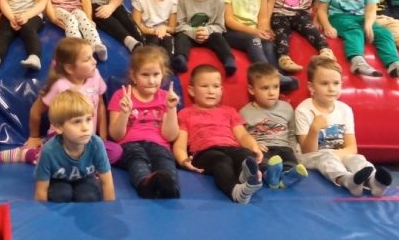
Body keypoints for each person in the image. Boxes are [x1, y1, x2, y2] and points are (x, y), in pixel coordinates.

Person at [6, 38, 120, 164]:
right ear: (69, 68)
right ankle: (29, 154)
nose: (94, 61)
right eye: (87, 59)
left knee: (115, 151)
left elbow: (101, 106)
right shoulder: (59, 86)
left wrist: (102, 137)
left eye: (92, 56)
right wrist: (34, 137)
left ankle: (78, 163)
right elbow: (36, 110)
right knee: (64, 154)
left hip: (86, 138)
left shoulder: (95, 76)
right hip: (62, 138)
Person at [295, 56, 393, 197]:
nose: (331, 88)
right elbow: (307, 152)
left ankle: (374, 182)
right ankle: (346, 180)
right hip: (312, 157)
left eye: (336, 83)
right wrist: (314, 129)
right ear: (311, 87)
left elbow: (352, 147)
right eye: (324, 83)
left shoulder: (345, 110)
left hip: (338, 154)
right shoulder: (303, 109)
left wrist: (339, 155)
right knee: (326, 157)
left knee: (356, 158)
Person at [173, 65, 263, 203]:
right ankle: (235, 191)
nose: (211, 91)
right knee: (221, 161)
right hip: (204, 152)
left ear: (221, 90)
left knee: (244, 155)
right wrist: (183, 160)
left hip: (231, 148)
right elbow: (180, 143)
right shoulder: (185, 114)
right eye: (204, 86)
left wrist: (254, 147)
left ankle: (247, 177)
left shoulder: (229, 111)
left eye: (215, 86)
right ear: (192, 90)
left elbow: (242, 135)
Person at [108, 46, 181, 199]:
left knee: (164, 157)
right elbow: (115, 135)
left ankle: (170, 186)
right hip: (129, 144)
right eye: (145, 75)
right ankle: (144, 184)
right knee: (137, 157)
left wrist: (171, 109)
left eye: (156, 74)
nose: (151, 80)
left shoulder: (166, 97)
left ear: (163, 75)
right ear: (134, 76)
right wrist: (125, 112)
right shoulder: (121, 96)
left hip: (158, 144)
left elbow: (170, 136)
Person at [34, 91, 115, 202]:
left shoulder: (96, 144)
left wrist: (110, 208)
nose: (85, 127)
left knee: (88, 196)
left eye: (88, 119)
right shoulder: (49, 151)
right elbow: (41, 190)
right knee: (61, 195)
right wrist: (42, 211)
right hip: (58, 180)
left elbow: (107, 182)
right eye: (77, 122)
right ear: (59, 128)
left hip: (85, 178)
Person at [239, 62, 308, 189]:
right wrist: (254, 146)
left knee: (290, 162)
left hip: (284, 147)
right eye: (265, 88)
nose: (271, 93)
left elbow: (292, 133)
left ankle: (287, 177)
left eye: (275, 87)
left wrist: (293, 151)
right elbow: (241, 136)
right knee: (261, 163)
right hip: (262, 149)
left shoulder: (287, 108)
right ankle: (269, 176)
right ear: (252, 89)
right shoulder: (245, 112)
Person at [171, 0, 237, 77]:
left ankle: (228, 60)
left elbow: (220, 26)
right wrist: (194, 32)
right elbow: (180, 24)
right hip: (189, 34)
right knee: (180, 37)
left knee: (218, 37)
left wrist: (207, 31)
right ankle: (181, 58)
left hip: (209, 35)